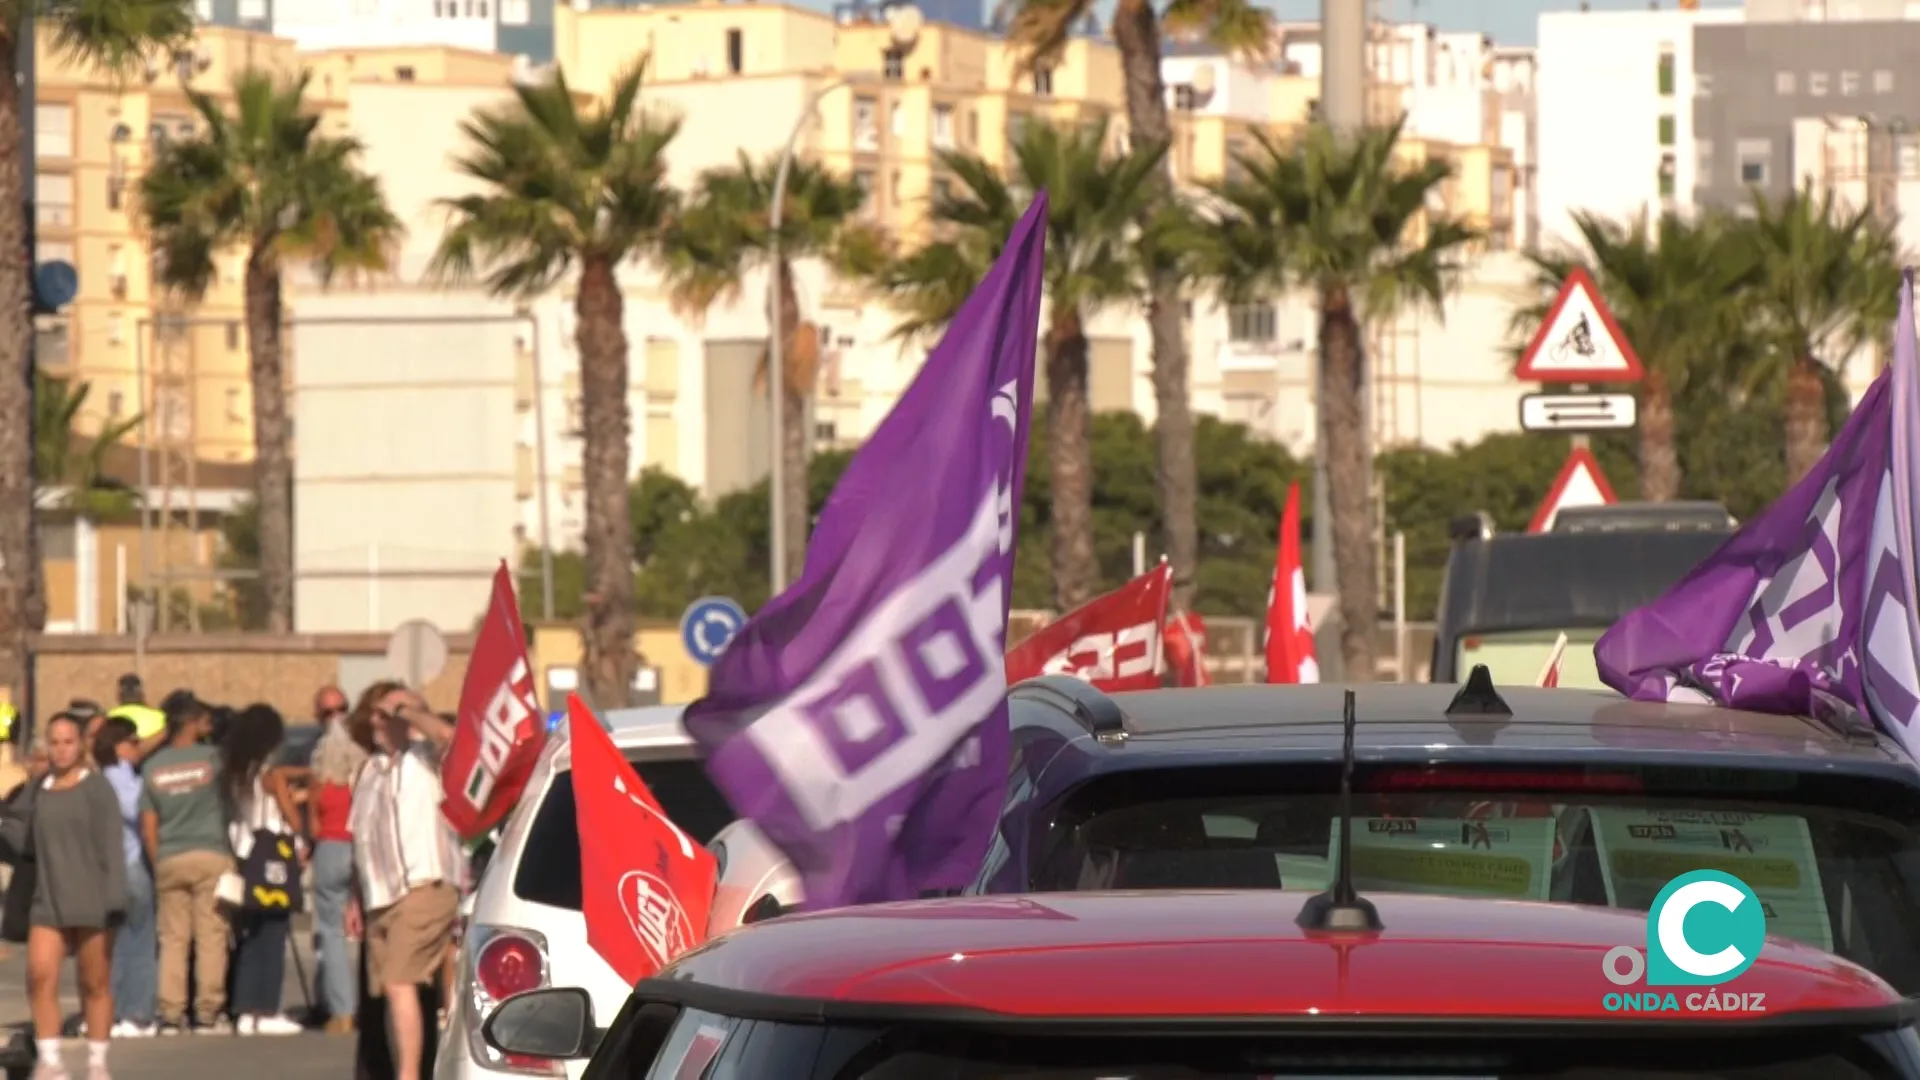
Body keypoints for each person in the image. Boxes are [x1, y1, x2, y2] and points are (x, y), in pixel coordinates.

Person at [2, 711, 128, 1080]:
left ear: (81, 744)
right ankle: (51, 1060)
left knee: (94, 983)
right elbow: (15, 830)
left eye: (68, 741)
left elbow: (112, 847)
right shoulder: (38, 789)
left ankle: (97, 1061)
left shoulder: (97, 788)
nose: (60, 750)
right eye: (53, 742)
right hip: (48, 899)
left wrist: (115, 900)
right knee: (39, 976)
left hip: (93, 899)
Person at [346, 682, 460, 1080]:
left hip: (422, 887)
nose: (381, 722)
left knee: (399, 982)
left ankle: (409, 1075)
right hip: (380, 894)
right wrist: (355, 898)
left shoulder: (426, 759)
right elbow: (360, 839)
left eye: (389, 714)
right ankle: (406, 1067)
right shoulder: (369, 770)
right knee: (390, 993)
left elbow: (448, 736)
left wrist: (408, 709)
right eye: (377, 714)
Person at [139, 692, 232, 1035]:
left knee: (174, 939)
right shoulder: (214, 759)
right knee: (211, 935)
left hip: (170, 857)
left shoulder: (153, 767)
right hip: (210, 853)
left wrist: (158, 860)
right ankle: (208, 1012)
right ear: (192, 723)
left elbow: (148, 827)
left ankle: (170, 1013)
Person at [220, 704, 306, 1036]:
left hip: (246, 854)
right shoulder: (271, 774)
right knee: (273, 934)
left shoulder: (239, 771)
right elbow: (289, 816)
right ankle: (266, 1008)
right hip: (274, 855)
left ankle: (245, 1009)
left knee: (251, 936)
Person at [94, 719, 156, 1038]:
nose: (138, 747)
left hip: (111, 870)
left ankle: (116, 1012)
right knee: (141, 941)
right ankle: (138, 1012)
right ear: (118, 745)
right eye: (133, 741)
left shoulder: (102, 777)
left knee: (116, 945)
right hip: (132, 864)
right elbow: (137, 810)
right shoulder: (119, 777)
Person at [308, 685, 362, 1033]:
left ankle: (343, 1011)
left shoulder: (319, 764)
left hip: (330, 846)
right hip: (363, 847)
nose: (335, 717)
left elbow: (313, 817)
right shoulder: (365, 762)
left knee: (330, 931)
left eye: (338, 709)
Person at [105, 676, 165, 761]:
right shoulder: (159, 716)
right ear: (141, 694)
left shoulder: (109, 717)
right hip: (154, 762)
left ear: (119, 695)